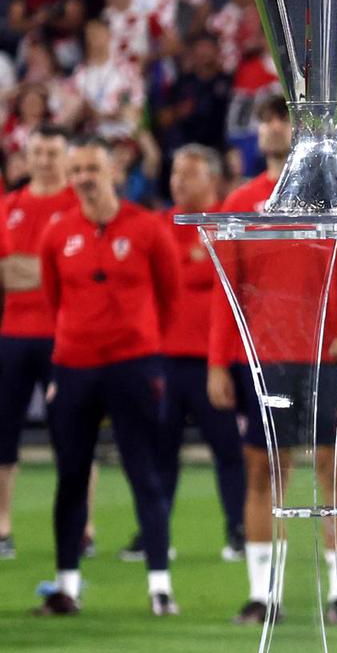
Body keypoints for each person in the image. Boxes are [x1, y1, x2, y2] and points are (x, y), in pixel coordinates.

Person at [205, 95, 337, 625]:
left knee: (332, 472)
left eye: (282, 117)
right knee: (264, 473)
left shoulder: (329, 196)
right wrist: (218, 362)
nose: (272, 126)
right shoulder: (240, 202)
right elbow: (227, 290)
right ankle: (264, 594)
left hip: (320, 354)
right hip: (262, 358)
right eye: (267, 118)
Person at [35, 135, 181, 616]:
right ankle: (67, 587)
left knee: (145, 474)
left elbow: (170, 295)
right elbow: (55, 301)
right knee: (71, 478)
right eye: (76, 170)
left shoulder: (147, 228)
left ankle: (160, 587)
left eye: (92, 168)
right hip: (74, 367)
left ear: (114, 171)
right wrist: (71, 347)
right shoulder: (56, 233)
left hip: (133, 366)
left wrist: (140, 345)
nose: (83, 178)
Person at [129, 145, 244, 562]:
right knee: (159, 450)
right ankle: (153, 533)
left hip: (214, 359)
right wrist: (193, 266)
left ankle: (239, 529)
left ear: (212, 179)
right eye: (175, 172)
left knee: (229, 449)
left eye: (188, 173)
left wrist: (187, 268)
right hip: (160, 357)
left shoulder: (227, 226)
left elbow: (229, 282)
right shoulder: (156, 224)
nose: (177, 181)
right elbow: (155, 277)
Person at [0, 126, 79, 560]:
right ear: (26, 158)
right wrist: (55, 266)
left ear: (64, 157)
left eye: (52, 152)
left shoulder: (78, 205)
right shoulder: (9, 206)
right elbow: (6, 274)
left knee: (72, 434)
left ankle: (80, 524)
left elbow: (78, 273)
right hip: (12, 336)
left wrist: (28, 269)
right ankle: (3, 526)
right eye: (38, 152)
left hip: (64, 337)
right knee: (4, 435)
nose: (45, 160)